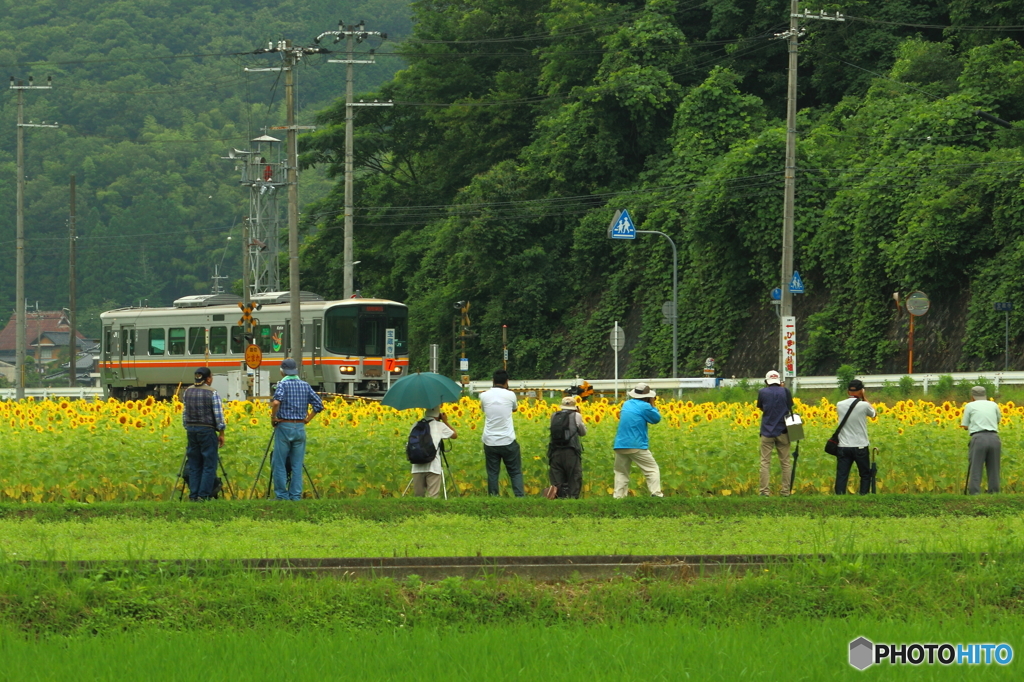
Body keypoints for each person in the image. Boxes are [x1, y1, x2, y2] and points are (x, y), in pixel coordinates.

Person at [270, 358, 324, 500]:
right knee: (297, 465)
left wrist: (273, 417)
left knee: (280, 463)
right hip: (300, 427)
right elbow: (319, 405)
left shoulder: (282, 385)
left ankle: (282, 496)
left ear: (282, 371)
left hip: (284, 426)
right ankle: (295, 496)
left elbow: (276, 402)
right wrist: (307, 419)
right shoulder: (305, 385)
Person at [181, 367, 226, 501]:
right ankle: (204, 494)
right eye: (211, 377)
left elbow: (184, 413)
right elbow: (218, 415)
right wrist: (222, 432)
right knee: (209, 463)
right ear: (207, 379)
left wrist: (188, 427)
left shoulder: (187, 392)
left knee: (194, 464)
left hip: (191, 430)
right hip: (207, 431)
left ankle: (193, 495)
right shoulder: (212, 393)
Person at [612, 383, 663, 498]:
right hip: (636, 444)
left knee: (621, 472)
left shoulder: (626, 404)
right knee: (651, 469)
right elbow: (656, 419)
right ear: (648, 396)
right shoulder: (645, 406)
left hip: (620, 444)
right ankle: (656, 494)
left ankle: (618, 497)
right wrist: (652, 404)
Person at [479, 369, 524, 497]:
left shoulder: (484, 395)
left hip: (490, 441)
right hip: (508, 440)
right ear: (506, 382)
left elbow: (483, 409)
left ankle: (494, 498)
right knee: (515, 472)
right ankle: (520, 497)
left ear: (492, 381)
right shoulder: (510, 395)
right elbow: (514, 409)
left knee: (493, 473)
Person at [835, 379, 876, 495]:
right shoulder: (864, 405)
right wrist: (864, 397)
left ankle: (840, 496)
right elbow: (874, 414)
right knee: (865, 474)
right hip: (860, 446)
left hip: (843, 446)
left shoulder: (839, 404)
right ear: (861, 391)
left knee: (842, 474)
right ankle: (863, 495)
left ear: (848, 391)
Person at [756, 370, 793, 497]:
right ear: (779, 381)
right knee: (785, 462)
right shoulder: (786, 391)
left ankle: (764, 491)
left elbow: (761, 407)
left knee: (765, 462)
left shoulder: (762, 392)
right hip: (783, 431)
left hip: (767, 431)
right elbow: (789, 407)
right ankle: (785, 491)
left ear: (767, 381)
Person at [961, 385, 1001, 494]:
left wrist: (975, 425)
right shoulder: (993, 405)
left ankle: (974, 493)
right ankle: (994, 493)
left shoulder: (969, 406)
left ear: (972, 396)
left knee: (976, 467)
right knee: (994, 468)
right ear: (985, 395)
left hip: (978, 438)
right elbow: (998, 421)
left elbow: (964, 425)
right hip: (994, 438)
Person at [411, 406, 457, 498]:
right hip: (433, 465)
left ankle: (418, 512)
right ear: (438, 414)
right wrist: (445, 421)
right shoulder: (440, 426)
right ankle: (430, 512)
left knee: (418, 498)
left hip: (417, 466)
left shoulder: (415, 425)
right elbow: (454, 435)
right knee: (432, 497)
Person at [548, 395, 587, 499]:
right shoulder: (576, 416)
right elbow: (583, 433)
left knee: (557, 477)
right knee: (574, 476)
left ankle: (558, 498)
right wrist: (579, 415)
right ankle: (573, 498)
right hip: (571, 450)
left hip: (555, 450)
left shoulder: (554, 415)